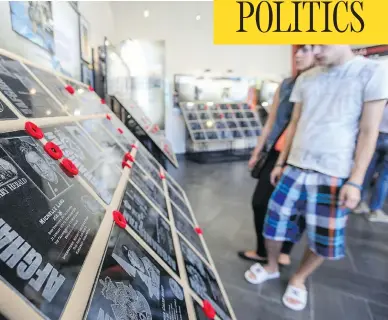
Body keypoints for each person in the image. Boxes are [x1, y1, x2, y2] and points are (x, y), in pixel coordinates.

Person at [244, 45, 388, 311]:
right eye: (309, 44)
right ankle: (272, 265)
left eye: (322, 43)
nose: (315, 51)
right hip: (295, 167)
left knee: (324, 238)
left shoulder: (371, 73)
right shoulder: (307, 78)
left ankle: (298, 279)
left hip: (335, 172)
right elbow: (295, 123)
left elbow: (369, 132)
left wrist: (356, 181)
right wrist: (282, 162)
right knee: (273, 224)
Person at [238, 45, 315, 266]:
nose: (298, 55)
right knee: (260, 202)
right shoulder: (287, 84)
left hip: (303, 156)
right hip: (277, 151)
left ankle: (285, 250)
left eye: (306, 50)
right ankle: (263, 250)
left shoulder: (318, 84)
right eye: (298, 50)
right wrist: (258, 150)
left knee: (296, 208)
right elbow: (271, 121)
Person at [354, 104, 388, 223]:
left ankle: (358, 203)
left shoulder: (382, 97)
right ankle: (374, 210)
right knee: (385, 177)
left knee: (367, 170)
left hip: (376, 135)